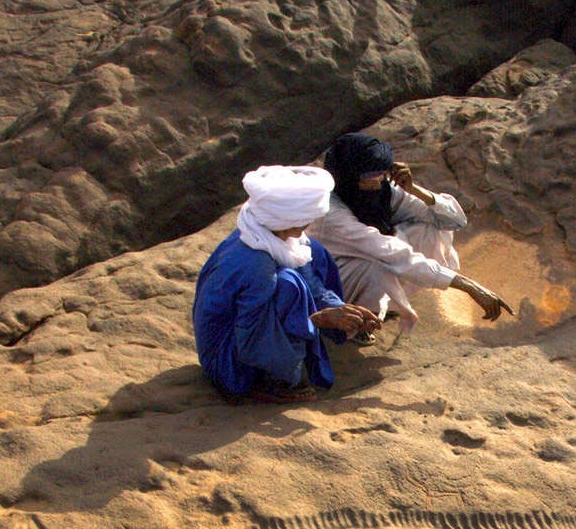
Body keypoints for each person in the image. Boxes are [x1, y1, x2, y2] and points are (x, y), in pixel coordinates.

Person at [193, 164, 380, 402]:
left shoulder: (267, 234)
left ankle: (319, 337)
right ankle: (274, 380)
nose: (310, 221)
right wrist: (317, 320)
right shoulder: (256, 265)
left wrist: (342, 309)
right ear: (290, 218)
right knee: (289, 285)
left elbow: (312, 284)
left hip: (249, 330)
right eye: (306, 217)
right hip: (230, 360)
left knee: (316, 253)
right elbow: (251, 338)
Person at [310, 133, 511, 339]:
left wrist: (414, 190)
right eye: (372, 175)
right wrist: (469, 286)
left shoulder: (383, 191)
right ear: (349, 179)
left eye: (383, 172)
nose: (380, 180)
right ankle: (356, 323)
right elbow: (390, 252)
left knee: (428, 229)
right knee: (376, 269)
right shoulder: (330, 213)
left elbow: (453, 220)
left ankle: (388, 303)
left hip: (374, 253)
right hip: (330, 276)